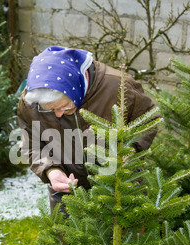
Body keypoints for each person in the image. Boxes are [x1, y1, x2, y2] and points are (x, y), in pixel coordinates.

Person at [17, 46, 157, 214]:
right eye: (51, 110)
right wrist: (50, 170)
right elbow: (31, 144)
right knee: (69, 239)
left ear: (74, 89)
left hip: (120, 187)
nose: (59, 114)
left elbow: (148, 120)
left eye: (63, 106)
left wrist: (129, 151)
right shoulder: (30, 101)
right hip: (67, 193)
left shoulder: (119, 87)